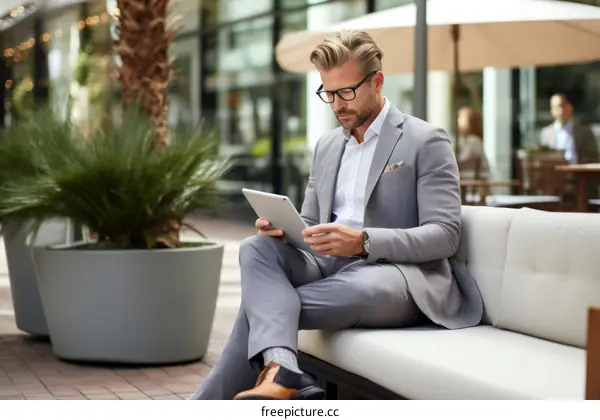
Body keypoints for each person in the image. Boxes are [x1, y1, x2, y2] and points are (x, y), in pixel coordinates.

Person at [188, 29, 483, 401]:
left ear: (377, 81)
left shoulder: (425, 140)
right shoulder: (327, 145)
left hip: (398, 277)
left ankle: (219, 397)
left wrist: (363, 242)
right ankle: (284, 370)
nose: (337, 105)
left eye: (347, 92)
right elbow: (310, 222)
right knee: (255, 248)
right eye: (328, 93)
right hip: (327, 265)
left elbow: (444, 235)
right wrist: (283, 228)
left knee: (264, 305)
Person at [540, 93, 598, 164]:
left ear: (570, 107)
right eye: (555, 108)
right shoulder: (546, 133)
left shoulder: (585, 132)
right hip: (555, 173)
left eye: (562, 106)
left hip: (579, 172)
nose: (559, 111)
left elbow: (593, 157)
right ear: (551, 111)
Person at [456, 106, 490, 180]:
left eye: (460, 118)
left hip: (479, 179)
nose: (458, 120)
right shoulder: (465, 140)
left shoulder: (474, 141)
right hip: (471, 177)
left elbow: (465, 160)